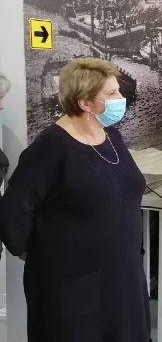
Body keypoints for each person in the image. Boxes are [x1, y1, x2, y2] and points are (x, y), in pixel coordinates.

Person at [0, 58, 151, 342]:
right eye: (112, 93)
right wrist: (42, 253)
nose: (121, 98)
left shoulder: (112, 137)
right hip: (74, 287)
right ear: (85, 102)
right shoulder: (50, 147)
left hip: (123, 278)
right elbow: (12, 214)